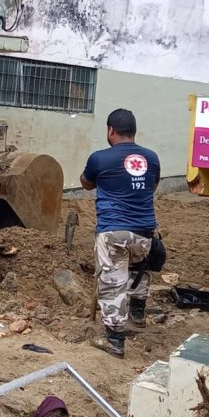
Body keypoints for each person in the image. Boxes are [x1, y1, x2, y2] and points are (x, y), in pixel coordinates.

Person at [79, 108, 161, 359]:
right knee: (137, 269)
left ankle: (114, 340)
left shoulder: (99, 158)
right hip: (144, 233)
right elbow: (152, 187)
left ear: (110, 130)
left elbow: (86, 183)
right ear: (134, 131)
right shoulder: (152, 158)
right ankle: (138, 313)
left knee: (113, 283)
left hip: (113, 232)